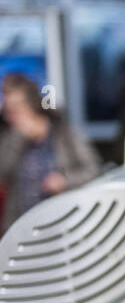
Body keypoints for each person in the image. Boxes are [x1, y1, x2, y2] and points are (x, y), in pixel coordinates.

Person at [0, 73, 100, 234]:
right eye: (7, 110)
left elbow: (93, 169)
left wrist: (65, 181)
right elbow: (3, 174)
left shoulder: (63, 134)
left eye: (14, 109)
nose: (9, 116)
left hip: (62, 223)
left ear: (31, 105)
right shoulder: (10, 138)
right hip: (22, 227)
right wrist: (18, 139)